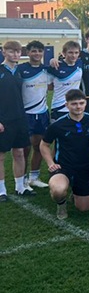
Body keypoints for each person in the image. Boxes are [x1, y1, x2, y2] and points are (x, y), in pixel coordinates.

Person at [40, 89, 89, 219]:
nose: (78, 107)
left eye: (81, 103)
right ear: (67, 105)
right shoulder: (58, 125)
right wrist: (51, 163)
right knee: (58, 190)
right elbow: (44, 145)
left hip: (84, 167)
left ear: (86, 103)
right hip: (63, 167)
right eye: (74, 104)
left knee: (84, 208)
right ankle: (61, 204)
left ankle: (75, 192)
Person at [0, 40, 33, 199]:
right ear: (4, 52)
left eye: (18, 51)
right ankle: (1, 190)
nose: (15, 54)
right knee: (1, 156)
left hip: (20, 118)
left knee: (19, 153)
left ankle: (20, 187)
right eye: (12, 51)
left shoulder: (20, 71)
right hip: (3, 119)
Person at [18, 40, 51, 188]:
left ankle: (34, 177)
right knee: (25, 149)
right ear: (28, 52)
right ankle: (22, 179)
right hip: (26, 114)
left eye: (39, 51)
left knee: (39, 146)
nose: (37, 54)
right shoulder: (20, 69)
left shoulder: (47, 69)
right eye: (34, 51)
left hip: (42, 114)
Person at [48, 40, 83, 121]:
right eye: (70, 52)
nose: (73, 55)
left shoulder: (80, 63)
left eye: (76, 53)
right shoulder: (55, 67)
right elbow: (49, 87)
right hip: (59, 108)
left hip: (75, 107)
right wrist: (51, 60)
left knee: (77, 128)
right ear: (64, 53)